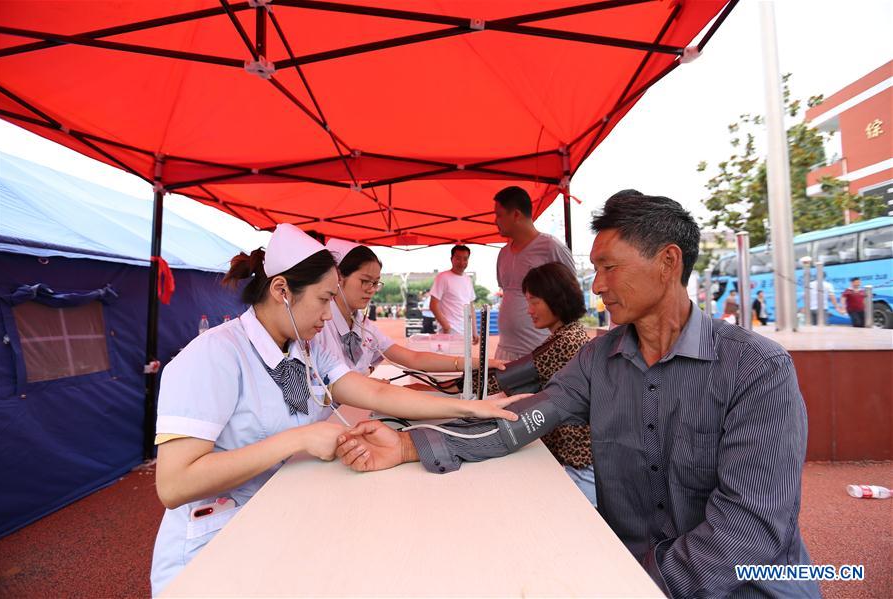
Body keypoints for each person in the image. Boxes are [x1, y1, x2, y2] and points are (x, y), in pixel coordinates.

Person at [336, 192, 819, 598]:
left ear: (668, 262)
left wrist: (628, 581)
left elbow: (749, 532)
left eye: (609, 267)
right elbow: (523, 420)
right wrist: (407, 445)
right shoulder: (597, 360)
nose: (598, 286)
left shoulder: (757, 371)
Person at [150, 225, 517, 595]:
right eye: (324, 299)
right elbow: (174, 484)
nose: (329, 315)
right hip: (212, 549)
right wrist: (299, 438)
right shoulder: (213, 355)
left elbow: (374, 391)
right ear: (281, 290)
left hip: (275, 522)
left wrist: (469, 408)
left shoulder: (304, 348)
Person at [462, 262, 596, 505]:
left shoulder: (564, 342)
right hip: (574, 460)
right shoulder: (569, 334)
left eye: (534, 302)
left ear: (556, 298)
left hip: (576, 467)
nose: (529, 310)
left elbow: (502, 380)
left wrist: (443, 392)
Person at [315, 238, 503, 376]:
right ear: (338, 277)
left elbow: (413, 359)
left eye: (376, 283)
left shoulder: (362, 326)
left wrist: (478, 363)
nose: (371, 290)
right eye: (365, 281)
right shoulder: (318, 327)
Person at [494, 186, 575, 360]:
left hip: (540, 350)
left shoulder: (551, 247)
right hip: (505, 349)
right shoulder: (503, 254)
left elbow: (571, 295)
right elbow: (508, 294)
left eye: (499, 215)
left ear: (516, 214)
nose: (495, 221)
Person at [430, 245, 478, 343]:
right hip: (450, 332)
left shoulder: (468, 279)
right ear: (451, 259)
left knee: (465, 359)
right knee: (449, 359)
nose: (462, 262)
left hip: (466, 331)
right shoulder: (443, 277)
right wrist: (446, 326)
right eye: (458, 258)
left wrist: (474, 331)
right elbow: (433, 305)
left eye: (465, 259)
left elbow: (471, 307)